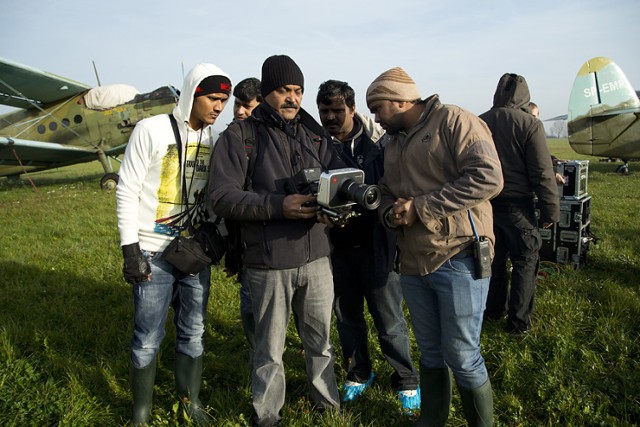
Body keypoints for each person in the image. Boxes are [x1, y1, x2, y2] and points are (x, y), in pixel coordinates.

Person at [207, 55, 341, 427]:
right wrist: (277, 205)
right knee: (269, 350)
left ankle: (327, 405)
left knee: (321, 342)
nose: (292, 98)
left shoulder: (312, 132)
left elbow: (335, 174)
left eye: (298, 91)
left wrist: (336, 203)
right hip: (268, 263)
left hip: (317, 258)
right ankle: (267, 416)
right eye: (284, 90)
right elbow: (219, 196)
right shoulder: (240, 137)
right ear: (267, 91)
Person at [367, 66, 503, 426]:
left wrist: (420, 207)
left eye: (377, 108)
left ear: (398, 101)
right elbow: (387, 192)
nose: (375, 118)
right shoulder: (393, 143)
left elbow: (488, 176)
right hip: (413, 261)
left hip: (458, 256)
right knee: (430, 352)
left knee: (462, 354)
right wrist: (385, 210)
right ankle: (432, 421)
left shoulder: (454, 121)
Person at [116, 63, 232, 425]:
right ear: (192, 94)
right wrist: (130, 249)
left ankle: (190, 402)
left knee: (194, 331)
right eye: (213, 98)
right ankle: (141, 413)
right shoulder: (150, 130)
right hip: (151, 252)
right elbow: (126, 190)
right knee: (148, 335)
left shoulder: (216, 139)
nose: (218, 107)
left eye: (224, 101)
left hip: (194, 252)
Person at [316, 79, 420, 412]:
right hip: (336, 245)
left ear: (352, 109)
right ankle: (358, 372)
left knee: (389, 318)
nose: (331, 117)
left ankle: (406, 379)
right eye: (324, 111)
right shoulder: (317, 146)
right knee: (347, 317)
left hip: (377, 242)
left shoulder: (379, 142)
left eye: (337, 110)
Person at [480, 74, 560, 336]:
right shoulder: (530, 124)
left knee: (495, 260)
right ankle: (518, 323)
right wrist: (551, 209)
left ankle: (493, 310)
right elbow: (542, 171)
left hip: (487, 205)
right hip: (518, 206)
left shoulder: (480, 121)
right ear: (524, 96)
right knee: (525, 261)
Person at [227, 77, 262, 365]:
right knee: (249, 298)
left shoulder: (273, 135)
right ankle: (255, 352)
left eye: (246, 106)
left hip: (275, 230)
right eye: (237, 104)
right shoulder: (230, 135)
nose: (239, 111)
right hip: (244, 234)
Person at [530, 101, 566, 186]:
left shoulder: (536, 132)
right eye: (529, 117)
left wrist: (554, 160)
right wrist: (552, 176)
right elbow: (534, 160)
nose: (532, 120)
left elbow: (540, 154)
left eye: (534, 117)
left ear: (538, 116)